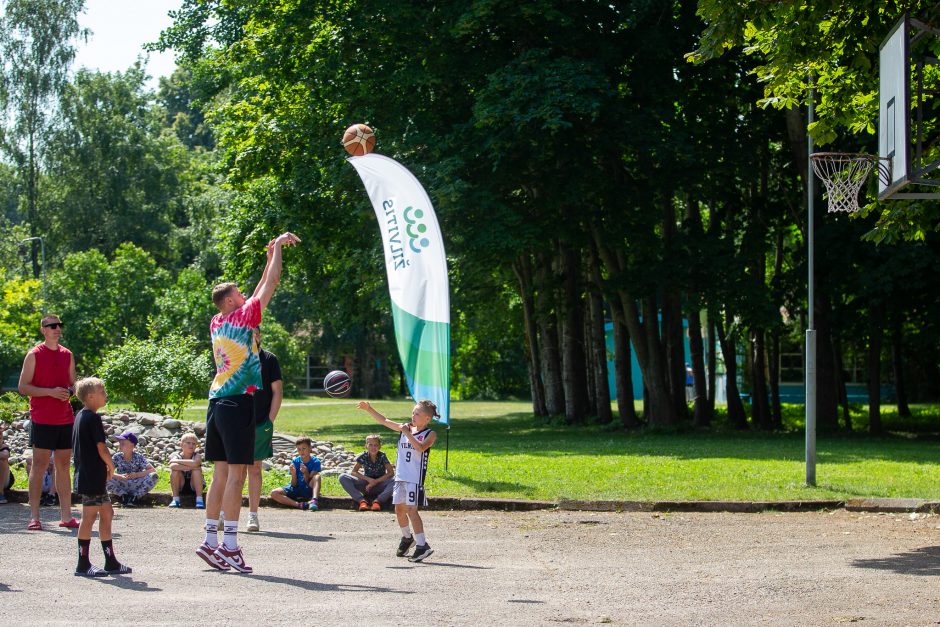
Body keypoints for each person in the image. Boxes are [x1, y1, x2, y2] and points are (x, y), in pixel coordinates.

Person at [196, 231, 300, 574]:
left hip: (217, 402)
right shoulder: (242, 316)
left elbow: (256, 292)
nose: (244, 295)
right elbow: (270, 285)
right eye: (237, 293)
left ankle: (210, 542)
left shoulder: (219, 320)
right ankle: (230, 547)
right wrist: (278, 252)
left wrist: (270, 252)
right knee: (237, 476)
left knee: (220, 474)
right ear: (229, 301)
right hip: (239, 403)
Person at [356, 400, 439, 563]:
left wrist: (407, 433)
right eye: (413, 412)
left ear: (427, 419)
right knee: (399, 510)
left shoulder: (430, 434)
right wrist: (369, 409)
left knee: (411, 510)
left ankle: (422, 546)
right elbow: (384, 421)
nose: (413, 416)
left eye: (417, 414)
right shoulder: (405, 428)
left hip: (413, 479)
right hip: (400, 477)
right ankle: (408, 538)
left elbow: (420, 448)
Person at [18, 314, 78, 530]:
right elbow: (23, 387)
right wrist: (50, 393)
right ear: (43, 329)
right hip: (42, 418)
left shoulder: (67, 355)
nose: (57, 328)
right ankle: (34, 517)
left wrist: (70, 391)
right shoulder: (34, 354)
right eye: (52, 326)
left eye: (59, 325)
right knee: (40, 465)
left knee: (63, 466)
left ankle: (67, 516)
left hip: (65, 418)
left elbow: (73, 384)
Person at [71, 377, 131, 576]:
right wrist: (111, 464)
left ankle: (111, 562)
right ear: (90, 396)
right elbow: (100, 447)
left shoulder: (81, 415)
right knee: (88, 517)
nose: (106, 395)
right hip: (91, 476)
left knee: (107, 513)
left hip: (93, 476)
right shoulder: (92, 418)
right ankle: (83, 564)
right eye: (102, 391)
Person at [246, 327, 283, 532]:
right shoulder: (236, 358)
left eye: (255, 334)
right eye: (249, 334)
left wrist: (270, 420)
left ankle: (253, 515)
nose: (253, 337)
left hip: (261, 422)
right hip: (237, 422)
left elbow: (277, 391)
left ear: (259, 336)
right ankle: (224, 514)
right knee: (234, 469)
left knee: (255, 468)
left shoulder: (269, 359)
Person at [338, 434, 395, 511]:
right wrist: (369, 480)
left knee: (396, 480)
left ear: (379, 446)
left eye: (375, 445)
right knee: (343, 477)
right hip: (366, 486)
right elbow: (354, 472)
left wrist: (375, 481)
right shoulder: (363, 456)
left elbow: (391, 473)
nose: (373, 447)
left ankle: (378, 501)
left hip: (380, 485)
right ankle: (361, 501)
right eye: (370, 445)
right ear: (366, 446)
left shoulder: (382, 456)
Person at [107, 431, 158, 507]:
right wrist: (118, 476)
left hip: (136, 483)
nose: (120, 445)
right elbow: (108, 471)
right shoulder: (117, 457)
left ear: (132, 445)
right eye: (120, 443)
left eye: (123, 443)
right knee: (102, 476)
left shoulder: (138, 457)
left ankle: (135, 496)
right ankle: (124, 495)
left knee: (154, 476)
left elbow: (152, 470)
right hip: (122, 483)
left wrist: (137, 475)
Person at [269, 437, 321, 511]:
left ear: (310, 448)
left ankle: (314, 500)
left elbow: (309, 482)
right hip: (296, 489)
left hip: (307, 489)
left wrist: (306, 473)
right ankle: (299, 505)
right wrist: (293, 474)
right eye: (299, 449)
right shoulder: (295, 461)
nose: (301, 451)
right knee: (273, 493)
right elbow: (293, 484)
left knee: (317, 477)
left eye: (304, 448)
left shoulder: (315, 462)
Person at [168, 432, 205, 508]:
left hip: (194, 485)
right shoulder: (177, 456)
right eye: (188, 443)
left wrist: (178, 462)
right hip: (181, 484)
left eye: (194, 444)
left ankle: (199, 499)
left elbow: (196, 463)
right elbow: (173, 466)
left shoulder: (197, 455)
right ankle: (175, 499)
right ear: (181, 445)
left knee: (196, 471)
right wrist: (192, 466)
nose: (191, 445)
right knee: (175, 471)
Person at [0, 423, 11, 504]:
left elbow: (5, 455)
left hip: (4, 481)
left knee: (2, 461)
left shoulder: (4, 446)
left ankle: (0, 493)